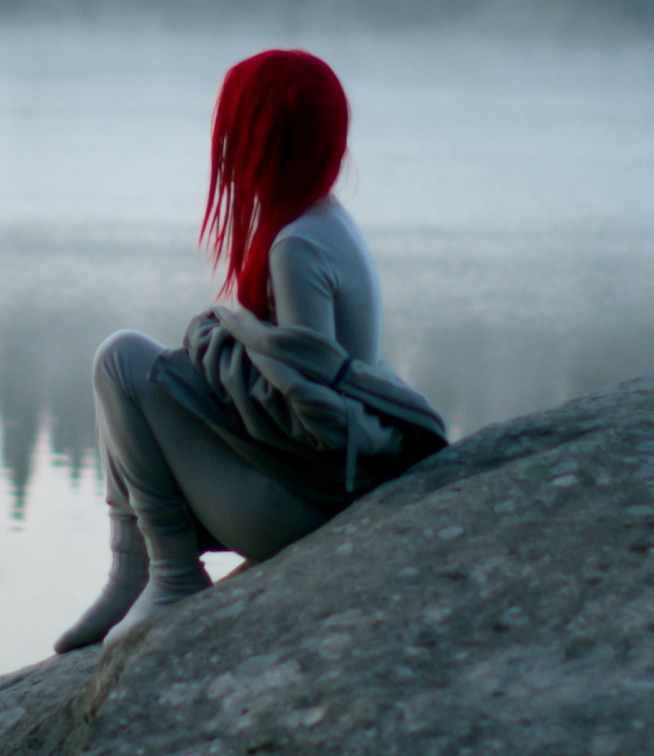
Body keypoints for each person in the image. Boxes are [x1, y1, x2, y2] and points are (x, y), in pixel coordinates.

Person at [54, 49, 446, 653]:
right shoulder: (323, 223)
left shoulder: (297, 247)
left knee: (123, 361)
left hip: (303, 503)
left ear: (274, 141)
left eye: (238, 131)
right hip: (309, 490)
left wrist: (213, 346)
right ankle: (130, 572)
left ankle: (172, 575)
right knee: (139, 372)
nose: (225, 149)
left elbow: (307, 417)